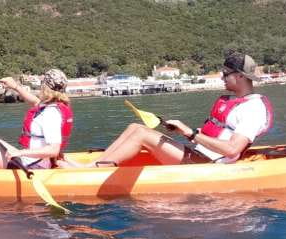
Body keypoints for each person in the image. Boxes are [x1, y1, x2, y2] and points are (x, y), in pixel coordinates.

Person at [88, 52, 273, 167]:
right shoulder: (236, 102)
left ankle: (97, 171)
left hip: (208, 165)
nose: (222, 77)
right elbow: (218, 135)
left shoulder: (253, 108)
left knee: (142, 135)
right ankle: (93, 166)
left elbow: (232, 150)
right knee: (135, 128)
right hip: (198, 155)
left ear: (240, 76)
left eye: (226, 74)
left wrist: (190, 133)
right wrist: (184, 131)